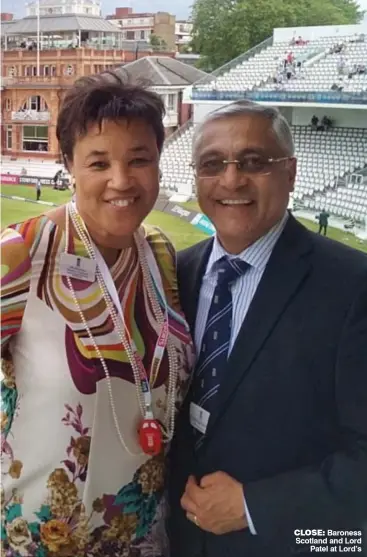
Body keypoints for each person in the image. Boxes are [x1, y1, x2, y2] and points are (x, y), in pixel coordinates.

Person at [1, 71, 194, 557]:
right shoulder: (22, 253)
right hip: (38, 541)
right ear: (68, 164)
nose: (122, 180)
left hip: (145, 537)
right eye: (99, 162)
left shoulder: (160, 255)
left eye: (139, 160)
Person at [169, 100, 367, 557]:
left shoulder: (353, 287)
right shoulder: (174, 273)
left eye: (255, 162)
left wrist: (253, 506)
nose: (232, 179)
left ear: (291, 173)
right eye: (212, 164)